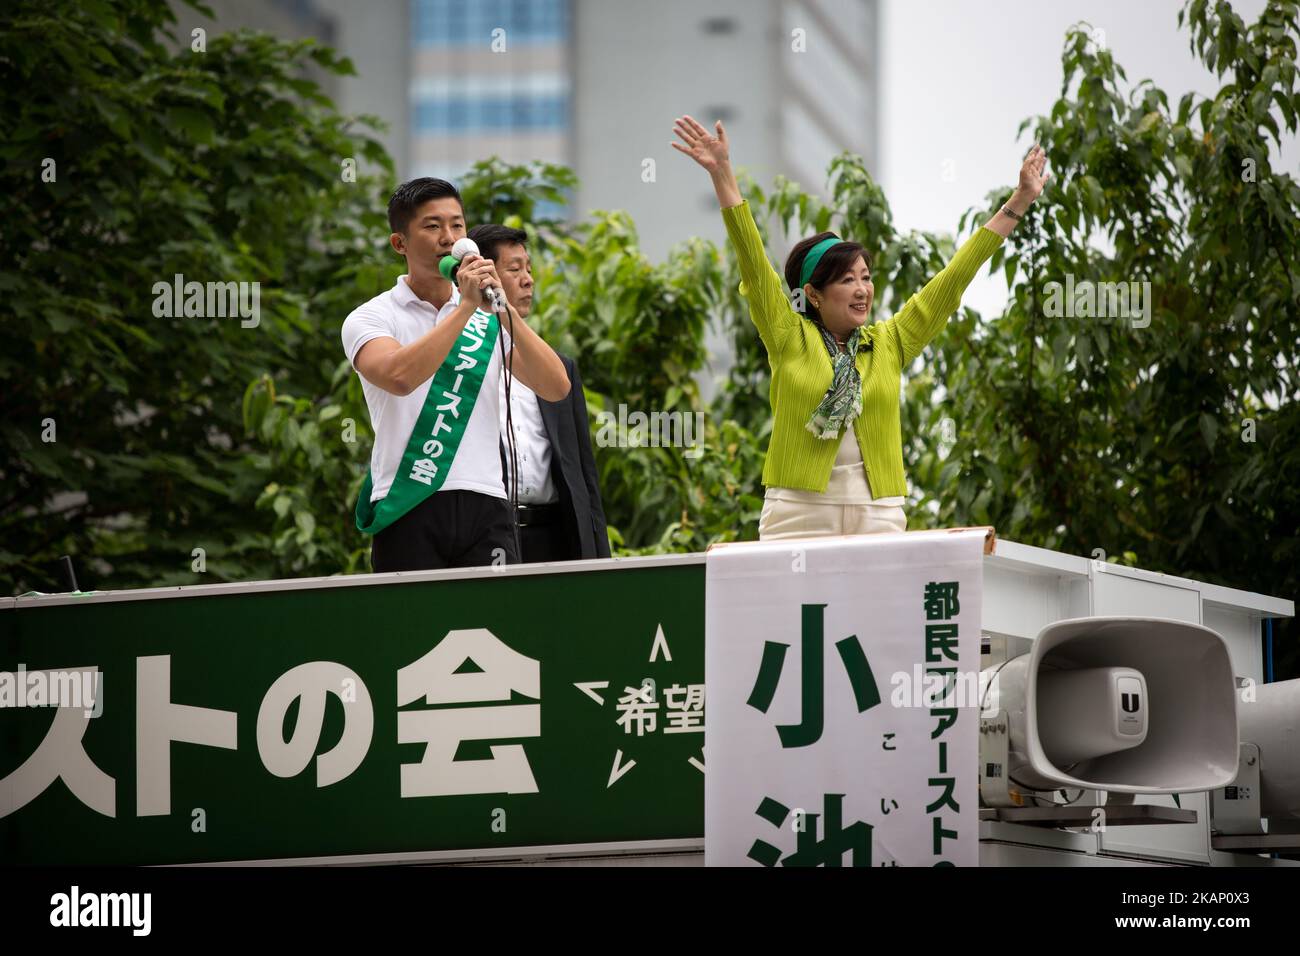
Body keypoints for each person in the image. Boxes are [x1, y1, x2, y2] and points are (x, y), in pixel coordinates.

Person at [671, 115, 1048, 541]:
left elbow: (953, 279)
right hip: (798, 511)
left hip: (878, 513)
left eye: (865, 277)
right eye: (847, 280)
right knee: (795, 609)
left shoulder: (889, 342)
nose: (862, 289)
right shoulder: (789, 337)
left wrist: (1018, 200)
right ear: (813, 294)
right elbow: (755, 267)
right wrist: (723, 174)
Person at [340, 178, 570, 571]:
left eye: (458, 226)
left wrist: (501, 307)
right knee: (415, 627)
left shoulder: (489, 316)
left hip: (487, 501)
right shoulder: (372, 317)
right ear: (400, 243)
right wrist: (464, 307)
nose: (449, 238)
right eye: (432, 227)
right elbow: (399, 376)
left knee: (499, 627)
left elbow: (555, 386)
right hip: (408, 500)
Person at [467, 223, 612, 562]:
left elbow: (582, 472)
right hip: (487, 532)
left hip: (554, 534)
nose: (528, 279)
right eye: (514, 269)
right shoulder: (460, 362)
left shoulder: (558, 368)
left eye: (529, 269)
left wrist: (597, 553)